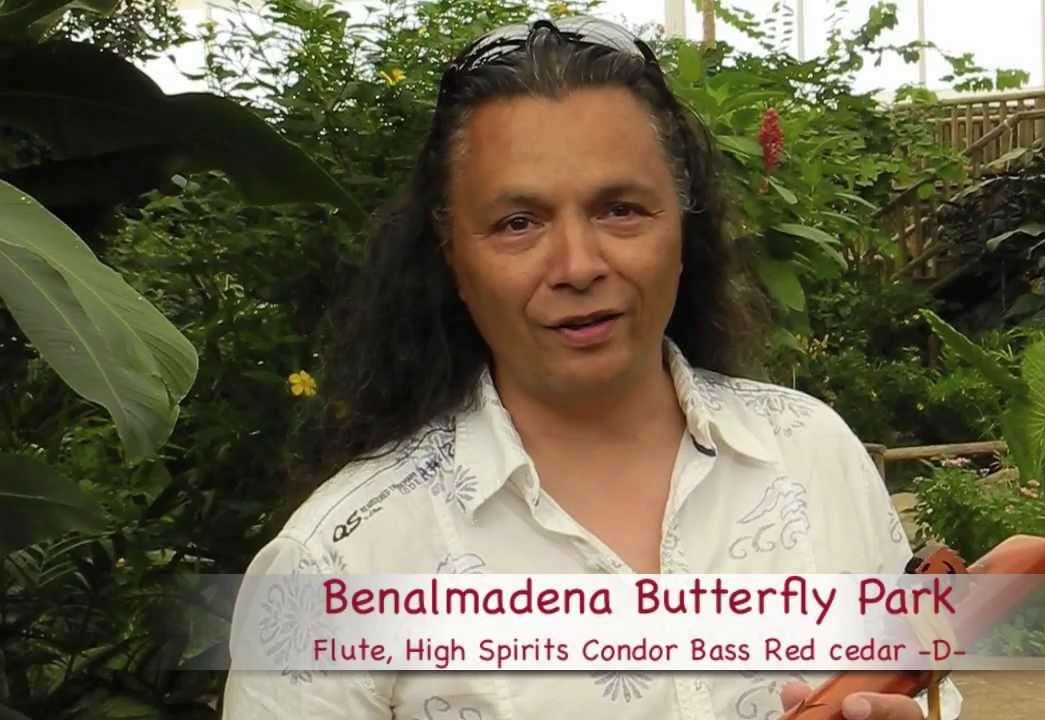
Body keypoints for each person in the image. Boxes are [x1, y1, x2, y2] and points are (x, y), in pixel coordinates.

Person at [221, 16, 961, 720]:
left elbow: (929, 689)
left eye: (621, 210)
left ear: (684, 228)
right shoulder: (335, 564)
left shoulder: (813, 455)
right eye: (518, 223)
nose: (577, 265)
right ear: (452, 257)